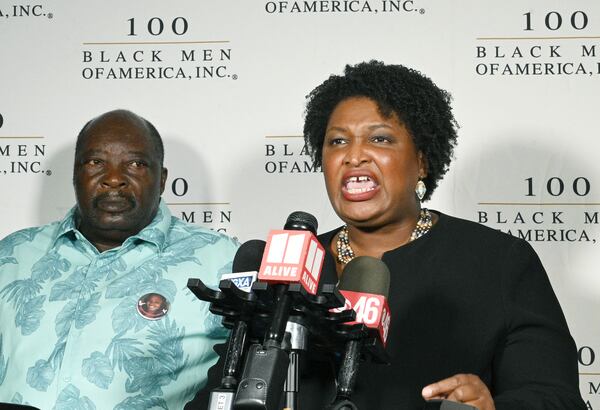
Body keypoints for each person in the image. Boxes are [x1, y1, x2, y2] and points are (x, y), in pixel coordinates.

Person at [299, 61, 586, 409]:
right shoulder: (291, 264)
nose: (354, 155)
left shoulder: (498, 261)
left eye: (380, 138)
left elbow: (556, 397)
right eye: (337, 141)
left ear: (421, 161)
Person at [0, 110, 238, 409]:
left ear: (162, 180)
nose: (113, 179)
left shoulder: (223, 261)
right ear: (75, 174)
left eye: (136, 164)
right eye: (95, 163)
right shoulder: (11, 255)